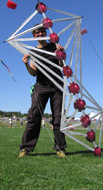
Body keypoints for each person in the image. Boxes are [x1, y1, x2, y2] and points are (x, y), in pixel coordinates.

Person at [18, 26, 67, 158]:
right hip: (41, 86)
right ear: (34, 35)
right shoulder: (33, 51)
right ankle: (25, 148)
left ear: (46, 33)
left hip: (57, 85)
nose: (40, 33)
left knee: (58, 117)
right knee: (34, 116)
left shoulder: (54, 47)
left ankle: (60, 148)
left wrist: (62, 53)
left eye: (42, 32)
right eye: (37, 32)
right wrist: (26, 64)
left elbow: (62, 66)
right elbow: (33, 73)